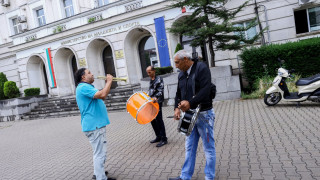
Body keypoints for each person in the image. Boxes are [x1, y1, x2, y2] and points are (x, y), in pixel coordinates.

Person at [169, 50, 216, 180]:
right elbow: (178, 93)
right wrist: (176, 109)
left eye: (177, 63)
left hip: (204, 114)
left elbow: (206, 90)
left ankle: (209, 177)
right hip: (189, 116)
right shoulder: (181, 74)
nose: (176, 66)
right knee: (189, 148)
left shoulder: (201, 68)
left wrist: (190, 102)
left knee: (208, 148)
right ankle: (185, 177)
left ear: (185, 59)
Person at [74, 68, 116, 180]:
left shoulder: (86, 87)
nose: (92, 74)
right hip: (94, 126)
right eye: (89, 73)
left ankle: (98, 173)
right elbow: (102, 95)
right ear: (83, 77)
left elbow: (101, 95)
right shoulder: (83, 87)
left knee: (98, 152)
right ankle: (100, 178)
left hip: (95, 125)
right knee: (100, 153)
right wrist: (109, 81)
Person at [146, 66, 168, 147]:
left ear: (154, 71)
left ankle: (164, 138)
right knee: (152, 119)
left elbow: (160, 90)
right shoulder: (151, 80)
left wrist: (156, 97)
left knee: (159, 119)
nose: (148, 74)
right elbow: (151, 91)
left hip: (157, 102)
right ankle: (158, 136)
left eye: (149, 72)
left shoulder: (159, 79)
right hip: (151, 102)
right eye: (147, 72)